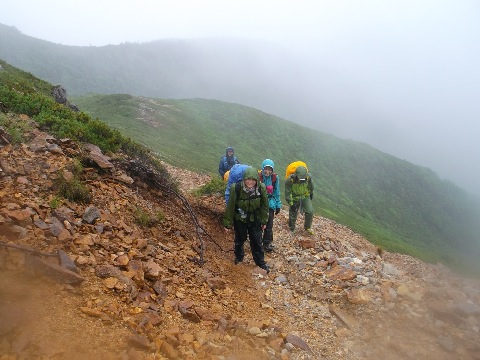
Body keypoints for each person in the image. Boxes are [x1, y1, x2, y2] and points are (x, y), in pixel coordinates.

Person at [223, 167, 270, 273]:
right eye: (248, 179)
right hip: (240, 219)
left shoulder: (261, 188)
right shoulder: (237, 188)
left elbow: (264, 206)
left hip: (255, 219)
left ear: (256, 180)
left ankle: (261, 263)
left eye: (253, 180)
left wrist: (264, 221)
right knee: (240, 239)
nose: (250, 182)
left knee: (257, 241)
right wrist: (227, 223)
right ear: (244, 179)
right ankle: (239, 258)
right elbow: (231, 206)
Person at [258, 159, 281, 252]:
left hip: (270, 204)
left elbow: (276, 192)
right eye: (266, 169)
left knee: (269, 224)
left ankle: (266, 243)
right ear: (263, 168)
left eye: (270, 169)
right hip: (259, 203)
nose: (267, 171)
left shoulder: (274, 178)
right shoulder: (258, 177)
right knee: (259, 223)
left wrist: (278, 205)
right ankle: (257, 242)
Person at [285, 165, 314, 234]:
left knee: (310, 211)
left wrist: (311, 193)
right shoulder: (289, 180)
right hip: (294, 198)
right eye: (300, 178)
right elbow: (288, 193)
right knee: (293, 213)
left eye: (303, 178)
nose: (302, 180)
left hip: (305, 196)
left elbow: (311, 186)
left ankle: (307, 227)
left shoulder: (308, 177)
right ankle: (291, 228)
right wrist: (291, 204)